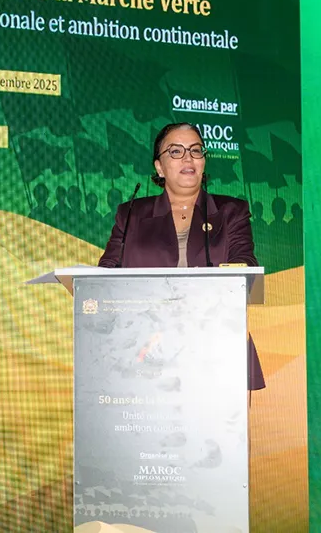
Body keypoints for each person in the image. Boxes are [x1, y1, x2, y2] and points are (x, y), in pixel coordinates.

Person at [97, 122, 266, 391]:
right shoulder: (131, 214)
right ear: (159, 167)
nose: (188, 158)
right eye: (175, 151)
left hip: (217, 345)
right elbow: (105, 276)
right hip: (144, 347)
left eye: (196, 150)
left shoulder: (230, 211)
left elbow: (246, 265)